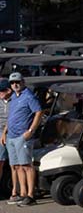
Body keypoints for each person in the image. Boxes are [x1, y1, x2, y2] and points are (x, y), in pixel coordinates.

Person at [6, 73, 45, 205]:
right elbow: (11, 115)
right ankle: (22, 193)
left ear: (23, 82)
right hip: (11, 136)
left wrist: (31, 130)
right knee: (17, 166)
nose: (15, 85)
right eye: (12, 83)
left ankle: (30, 195)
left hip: (22, 136)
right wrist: (5, 132)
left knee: (26, 165)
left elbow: (39, 112)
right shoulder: (13, 96)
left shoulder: (29, 96)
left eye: (17, 82)